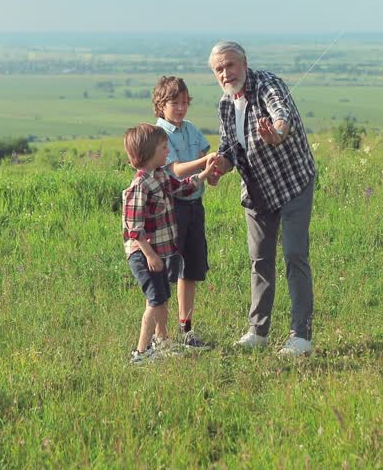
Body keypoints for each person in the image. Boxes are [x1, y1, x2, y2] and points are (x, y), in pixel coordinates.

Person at [207, 41, 317, 357]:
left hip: (293, 182)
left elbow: (282, 115)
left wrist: (278, 134)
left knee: (295, 255)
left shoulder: (268, 83)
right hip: (257, 189)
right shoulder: (225, 105)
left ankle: (301, 337)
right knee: (259, 259)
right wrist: (219, 167)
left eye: (230, 65)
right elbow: (230, 149)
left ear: (244, 63)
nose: (226, 73)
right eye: (219, 69)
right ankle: (258, 331)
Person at [121, 123, 215, 365]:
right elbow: (134, 229)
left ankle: (161, 344)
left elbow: (181, 189)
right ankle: (141, 354)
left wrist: (203, 175)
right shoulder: (139, 186)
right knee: (155, 300)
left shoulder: (161, 176)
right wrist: (150, 256)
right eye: (164, 148)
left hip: (158, 253)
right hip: (144, 255)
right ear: (150, 152)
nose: (167, 151)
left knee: (163, 297)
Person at [151, 76, 215, 351]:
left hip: (194, 206)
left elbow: (205, 159)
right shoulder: (158, 136)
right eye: (174, 103)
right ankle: (160, 336)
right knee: (167, 271)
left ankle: (186, 330)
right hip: (171, 209)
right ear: (160, 105)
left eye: (185, 102)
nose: (180, 108)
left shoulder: (190, 129)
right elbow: (176, 170)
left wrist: (214, 173)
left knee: (190, 269)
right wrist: (207, 163)